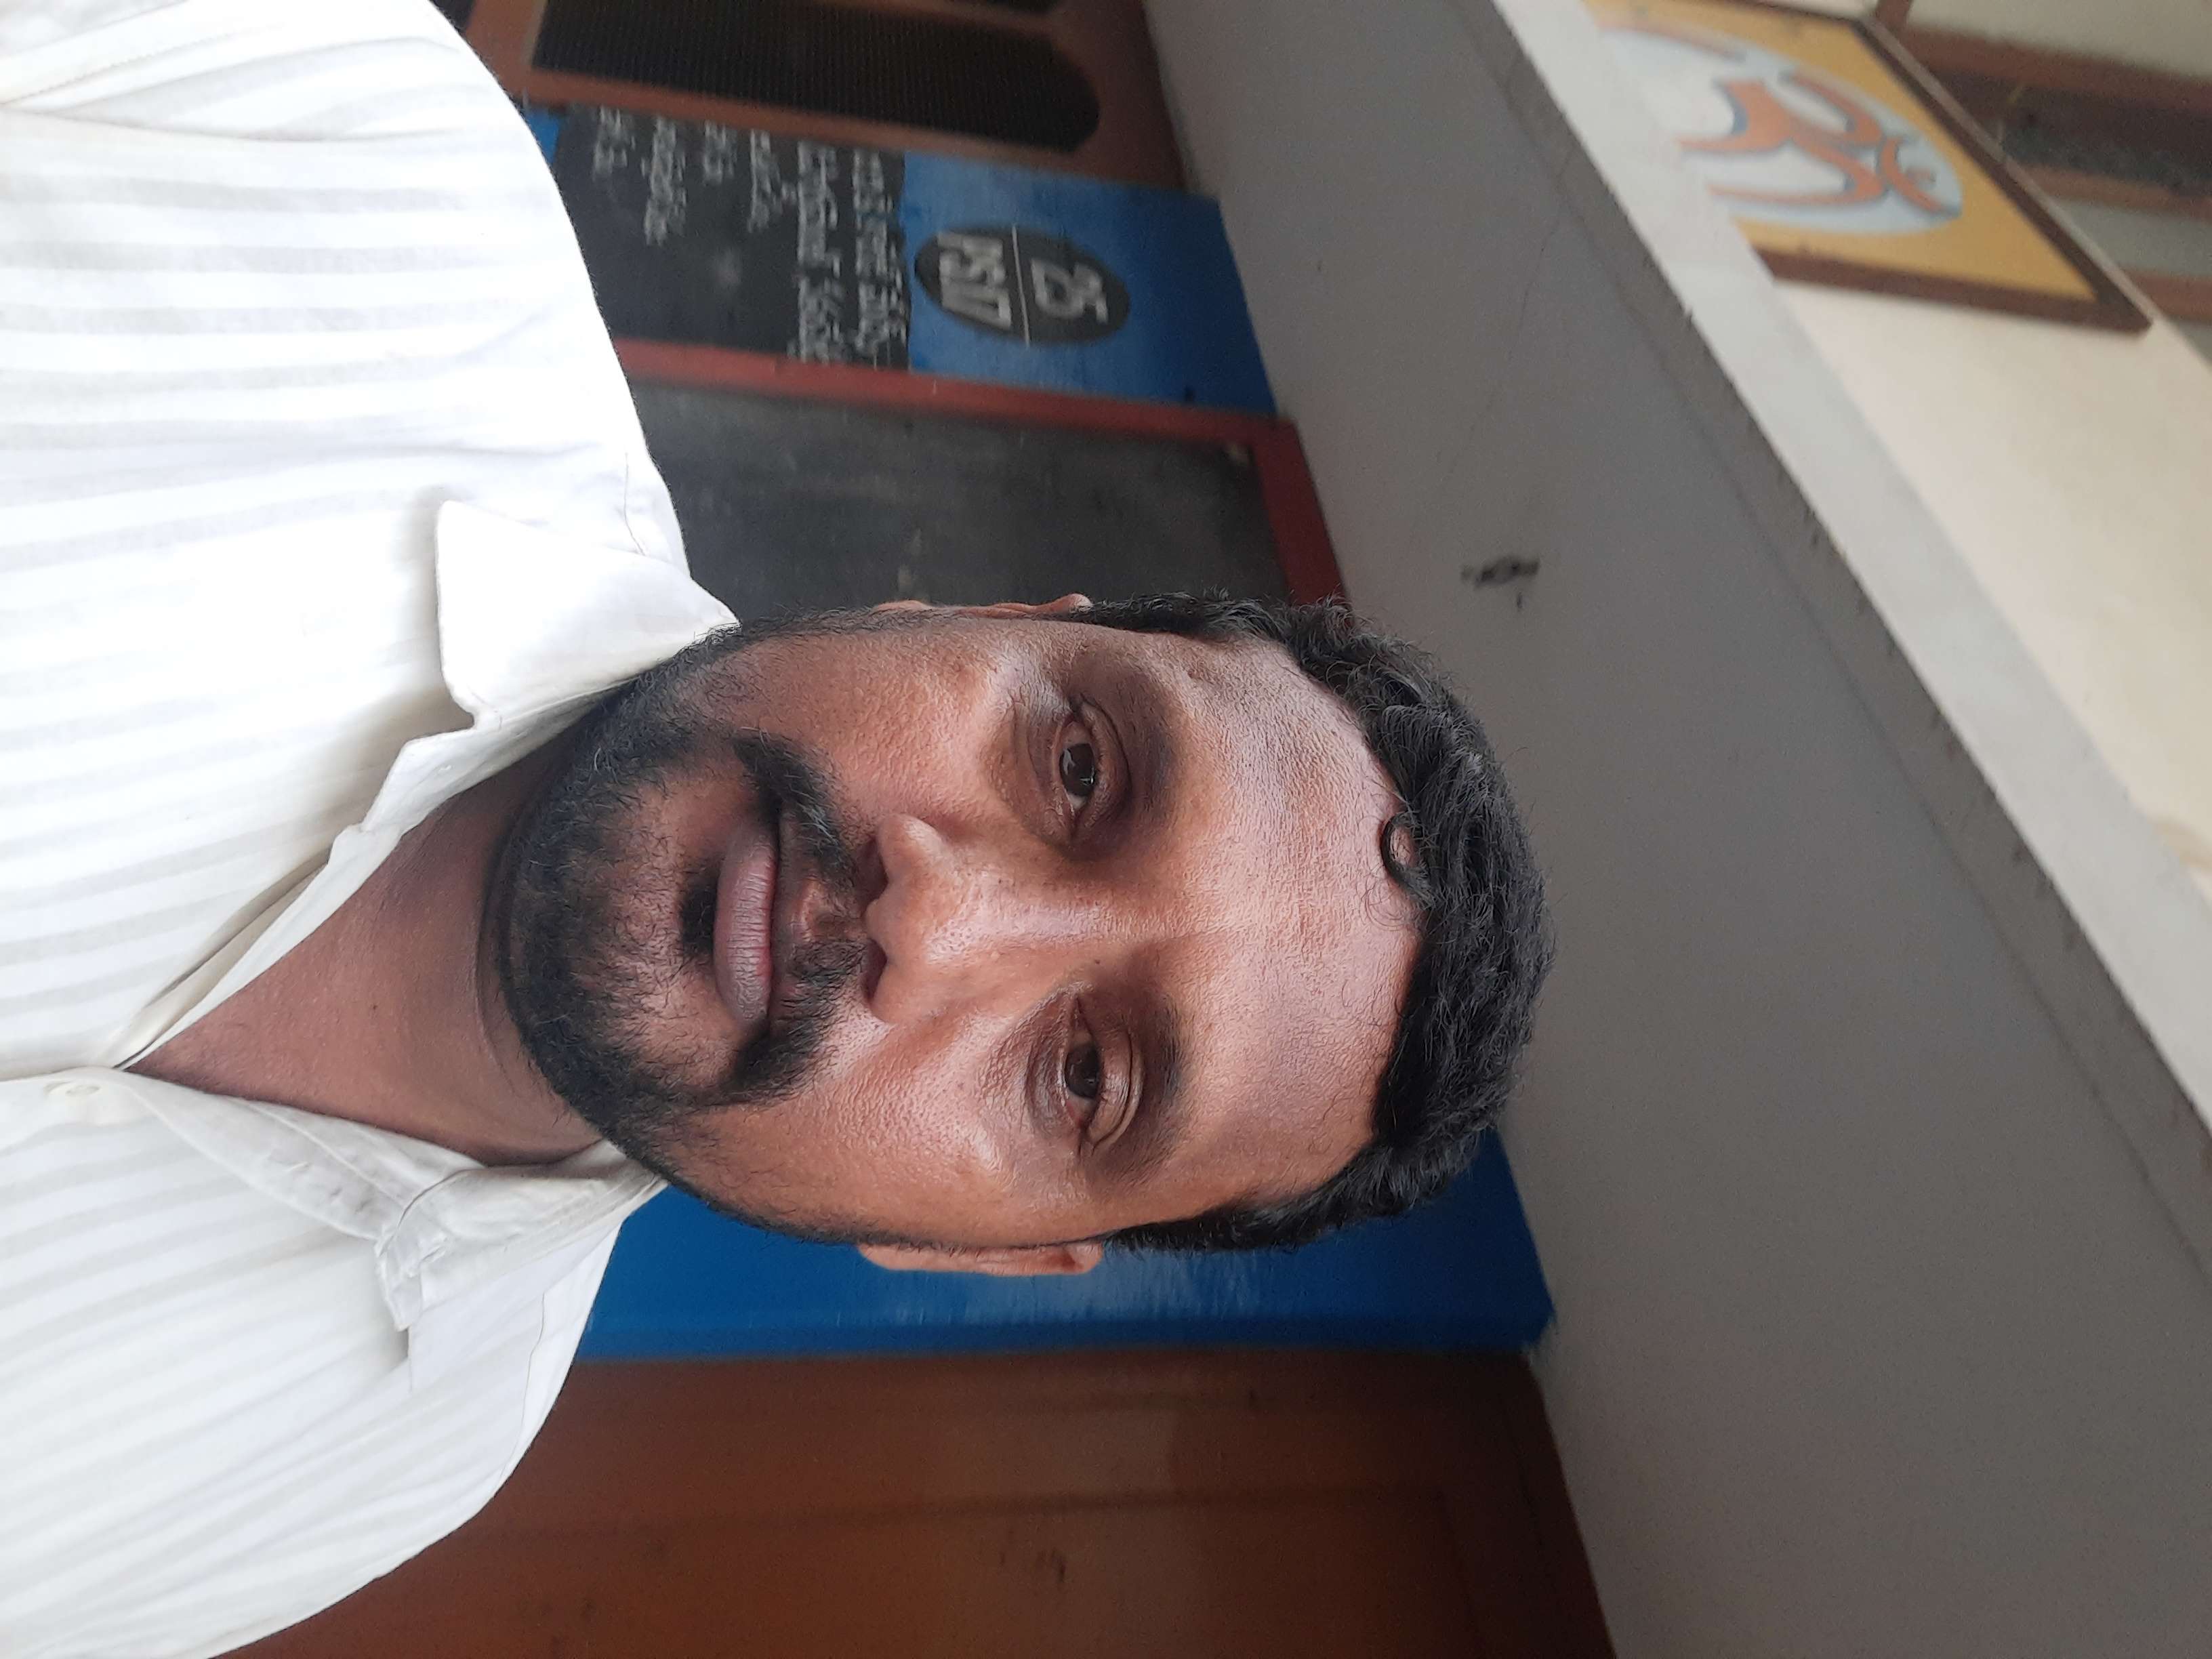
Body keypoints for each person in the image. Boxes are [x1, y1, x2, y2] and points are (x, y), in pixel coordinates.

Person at [0, 0, 1551, 1653]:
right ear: (979, 614)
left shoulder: (395, 1456)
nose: (933, 921)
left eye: (1086, 1077)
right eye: (1079, 769)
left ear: (978, 1255)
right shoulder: (344, 157)